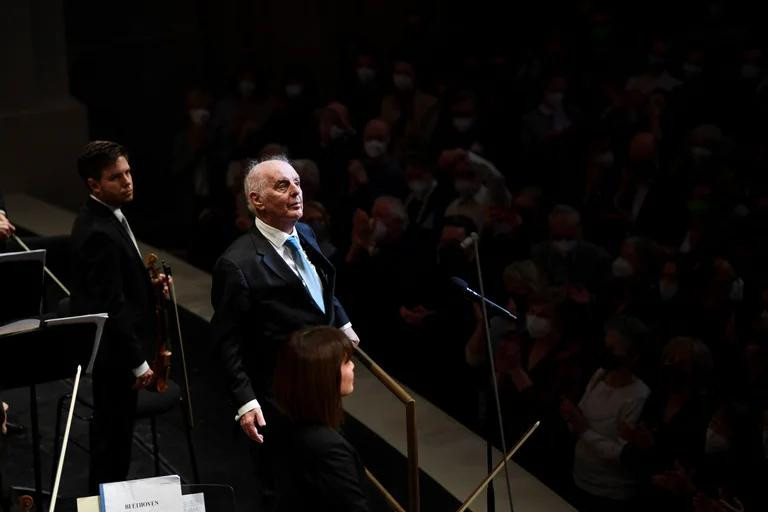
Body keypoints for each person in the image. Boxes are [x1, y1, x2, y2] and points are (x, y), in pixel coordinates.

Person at [210, 155, 359, 502]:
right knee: (286, 486)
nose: (296, 191)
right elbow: (225, 340)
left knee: (327, 480)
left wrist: (343, 320)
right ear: (256, 201)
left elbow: (321, 282)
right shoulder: (237, 264)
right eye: (283, 185)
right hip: (278, 396)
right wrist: (245, 400)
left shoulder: (304, 231)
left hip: (320, 383)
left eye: (297, 183)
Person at [69, 141, 166, 491]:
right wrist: (139, 363)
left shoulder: (112, 217)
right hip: (115, 357)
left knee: (116, 440)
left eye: (128, 173)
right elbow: (111, 304)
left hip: (119, 351)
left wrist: (149, 285)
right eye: (115, 177)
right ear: (94, 185)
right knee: (112, 444)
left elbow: (120, 282)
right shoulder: (97, 231)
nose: (127, 182)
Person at [272, 326, 369, 512]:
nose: (353, 366)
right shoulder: (329, 449)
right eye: (347, 361)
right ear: (324, 376)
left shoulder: (287, 423)